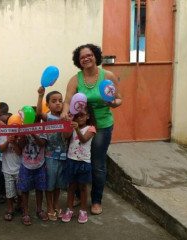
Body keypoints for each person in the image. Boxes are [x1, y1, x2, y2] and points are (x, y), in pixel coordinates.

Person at [61, 43, 122, 215]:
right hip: (80, 126)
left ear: (95, 56)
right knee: (78, 160)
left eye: (89, 55)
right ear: (78, 61)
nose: (86, 59)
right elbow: (67, 100)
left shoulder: (107, 75)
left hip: (102, 125)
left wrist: (112, 103)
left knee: (97, 164)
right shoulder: (75, 79)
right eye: (82, 57)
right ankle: (80, 195)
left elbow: (119, 99)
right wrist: (65, 113)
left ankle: (96, 200)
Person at [37, 87, 67, 221]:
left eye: (60, 100)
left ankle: (56, 203)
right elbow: (38, 113)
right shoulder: (47, 117)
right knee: (50, 183)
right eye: (54, 101)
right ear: (48, 104)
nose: (58, 103)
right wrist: (40, 96)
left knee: (59, 184)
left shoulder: (65, 117)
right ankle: (49, 205)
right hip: (50, 157)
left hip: (63, 156)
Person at [62, 105, 96, 223]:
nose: (79, 118)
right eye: (77, 116)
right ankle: (69, 209)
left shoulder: (91, 128)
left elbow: (84, 140)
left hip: (83, 162)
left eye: (82, 115)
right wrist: (69, 122)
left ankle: (82, 210)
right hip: (71, 160)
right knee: (71, 187)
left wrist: (76, 129)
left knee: (82, 187)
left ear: (88, 116)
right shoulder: (73, 126)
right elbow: (66, 136)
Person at [17, 111, 49, 225]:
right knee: (25, 190)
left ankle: (39, 209)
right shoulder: (23, 130)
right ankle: (25, 212)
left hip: (40, 164)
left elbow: (42, 143)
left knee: (40, 188)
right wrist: (24, 134)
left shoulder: (42, 130)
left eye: (37, 121)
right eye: (32, 121)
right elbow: (20, 146)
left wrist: (34, 133)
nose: (34, 123)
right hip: (26, 164)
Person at [0, 116, 23, 221]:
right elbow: (1, 149)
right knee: (9, 192)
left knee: (21, 192)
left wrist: (15, 142)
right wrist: (8, 141)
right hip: (7, 170)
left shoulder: (21, 136)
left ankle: (19, 206)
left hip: (19, 169)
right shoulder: (3, 135)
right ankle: (10, 209)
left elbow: (19, 152)